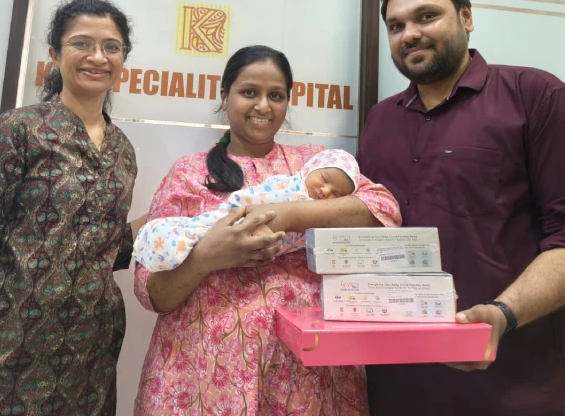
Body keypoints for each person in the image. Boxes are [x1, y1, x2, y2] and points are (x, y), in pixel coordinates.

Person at [356, 0, 565, 415]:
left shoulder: (536, 96)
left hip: (513, 386)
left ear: (466, 17)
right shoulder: (381, 120)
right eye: (396, 26)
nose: (410, 34)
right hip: (398, 385)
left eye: (426, 16)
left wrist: (502, 313)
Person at [132, 45, 402, 416]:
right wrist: (207, 257)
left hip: (306, 376)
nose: (263, 106)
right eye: (249, 92)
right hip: (203, 375)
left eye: (276, 96)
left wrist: (284, 215)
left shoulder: (314, 165)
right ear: (224, 96)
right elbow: (151, 293)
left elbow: (383, 210)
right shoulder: (189, 173)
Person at [0, 0, 146, 416]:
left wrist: (179, 218)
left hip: (88, 367)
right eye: (81, 43)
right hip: (4, 359)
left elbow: (105, 249)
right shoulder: (18, 131)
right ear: (54, 53)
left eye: (111, 47)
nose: (98, 57)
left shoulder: (122, 150)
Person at [132, 148, 361, 271]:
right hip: (235, 221)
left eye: (337, 193)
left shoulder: (313, 155)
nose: (326, 191)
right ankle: (166, 241)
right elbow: (251, 199)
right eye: (324, 179)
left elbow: (378, 206)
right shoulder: (290, 184)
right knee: (200, 231)